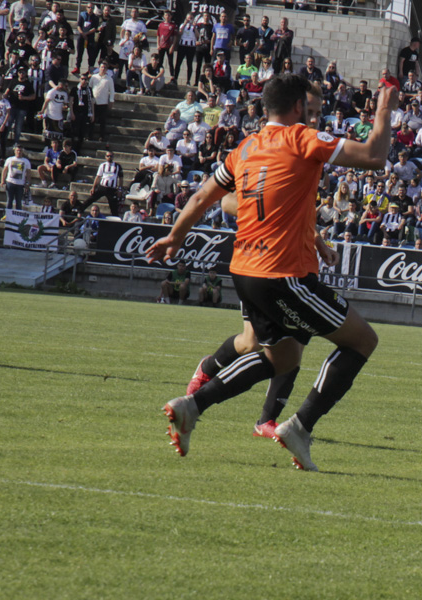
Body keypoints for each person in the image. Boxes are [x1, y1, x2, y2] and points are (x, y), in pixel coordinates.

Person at [148, 74, 398, 471]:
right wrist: (384, 109)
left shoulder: (244, 149)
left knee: (282, 356)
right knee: (362, 340)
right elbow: (374, 157)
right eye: (309, 110)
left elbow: (201, 196)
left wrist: (174, 237)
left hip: (245, 271)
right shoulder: (301, 139)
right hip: (283, 274)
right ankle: (300, 426)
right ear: (298, 107)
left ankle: (191, 406)